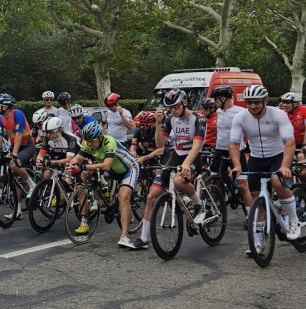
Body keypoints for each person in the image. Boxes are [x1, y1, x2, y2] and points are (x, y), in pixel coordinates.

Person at [129, 88, 207, 250]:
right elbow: (160, 144)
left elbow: (197, 145)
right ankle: (144, 239)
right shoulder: (171, 119)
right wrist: (158, 123)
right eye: (170, 107)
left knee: (178, 180)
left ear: (185, 103)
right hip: (177, 155)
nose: (173, 110)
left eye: (176, 106)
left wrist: (186, 164)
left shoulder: (198, 118)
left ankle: (198, 203)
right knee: (151, 196)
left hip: (194, 156)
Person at [229, 84, 301, 243]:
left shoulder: (278, 115)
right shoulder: (240, 117)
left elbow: (289, 142)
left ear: (265, 101)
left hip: (277, 156)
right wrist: (237, 166)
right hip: (256, 158)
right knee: (256, 197)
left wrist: (284, 166)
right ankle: (258, 241)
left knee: (277, 182)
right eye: (249, 102)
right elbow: (234, 144)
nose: (252, 106)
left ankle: (293, 219)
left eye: (256, 102)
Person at [67, 121, 140, 248]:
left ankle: (125, 236)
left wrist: (82, 166)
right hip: (112, 170)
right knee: (84, 175)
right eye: (87, 141)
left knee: (123, 197)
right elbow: (77, 158)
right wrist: (71, 164)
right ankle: (103, 197)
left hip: (129, 168)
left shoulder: (109, 142)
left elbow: (106, 166)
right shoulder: (89, 144)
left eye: (92, 141)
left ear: (100, 137)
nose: (89, 144)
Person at [211, 85, 247, 193]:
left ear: (223, 99)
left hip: (236, 149)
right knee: (214, 176)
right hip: (220, 148)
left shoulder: (241, 111)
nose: (214, 102)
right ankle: (219, 198)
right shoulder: (218, 111)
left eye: (216, 100)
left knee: (242, 180)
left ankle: (242, 197)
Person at [279, 92, 306, 158]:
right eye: (284, 102)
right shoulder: (282, 112)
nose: (285, 105)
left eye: (288, 103)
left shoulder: (305, 110)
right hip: (289, 143)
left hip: (304, 142)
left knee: (302, 159)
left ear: (296, 103)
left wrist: (305, 144)